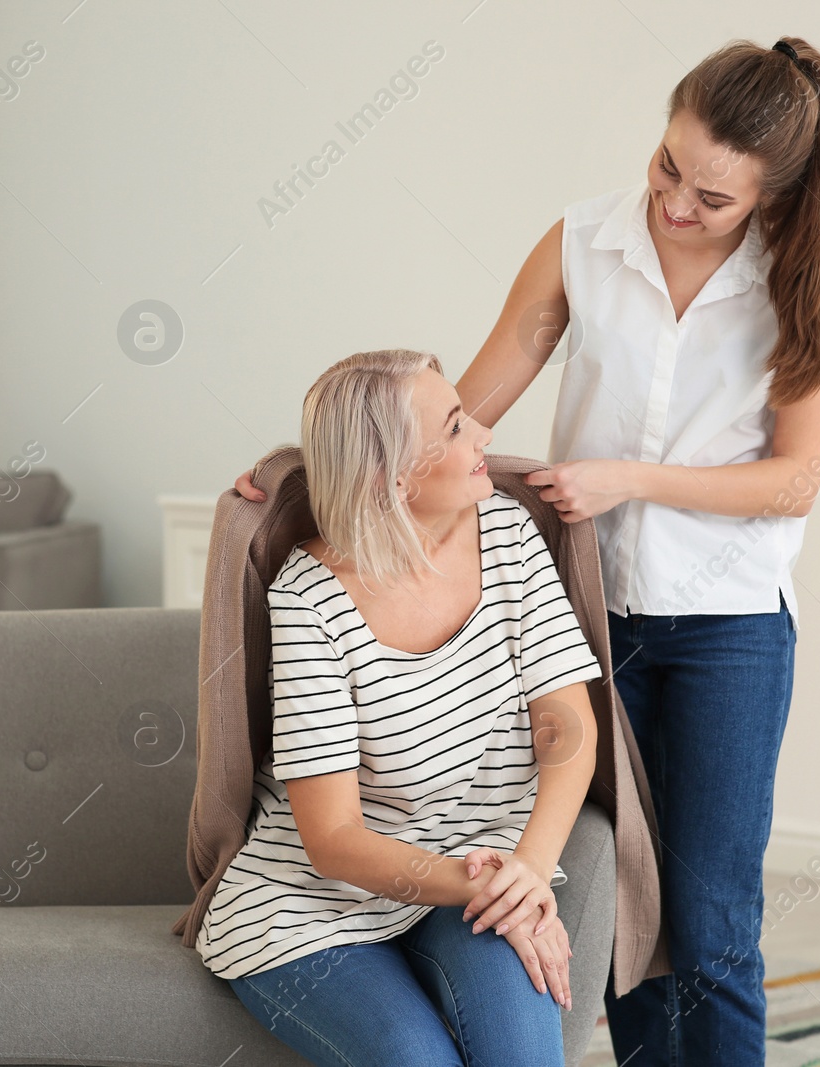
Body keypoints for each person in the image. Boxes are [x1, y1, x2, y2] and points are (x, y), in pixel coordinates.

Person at [235, 36, 820, 1067]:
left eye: (712, 197)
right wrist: (314, 466)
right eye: (668, 167)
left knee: (710, 918)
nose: (676, 205)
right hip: (589, 615)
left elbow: (794, 479)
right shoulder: (580, 242)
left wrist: (626, 479)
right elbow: (456, 410)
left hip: (726, 630)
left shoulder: (802, 284)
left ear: (771, 197)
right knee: (628, 907)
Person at [200, 348, 615, 1066]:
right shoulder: (309, 599)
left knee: (521, 1053)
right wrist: (487, 884)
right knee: (413, 1059)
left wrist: (528, 871)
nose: (483, 434)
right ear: (390, 475)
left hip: (471, 879)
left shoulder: (510, 535)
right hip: (308, 909)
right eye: (455, 428)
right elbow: (333, 839)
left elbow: (566, 723)